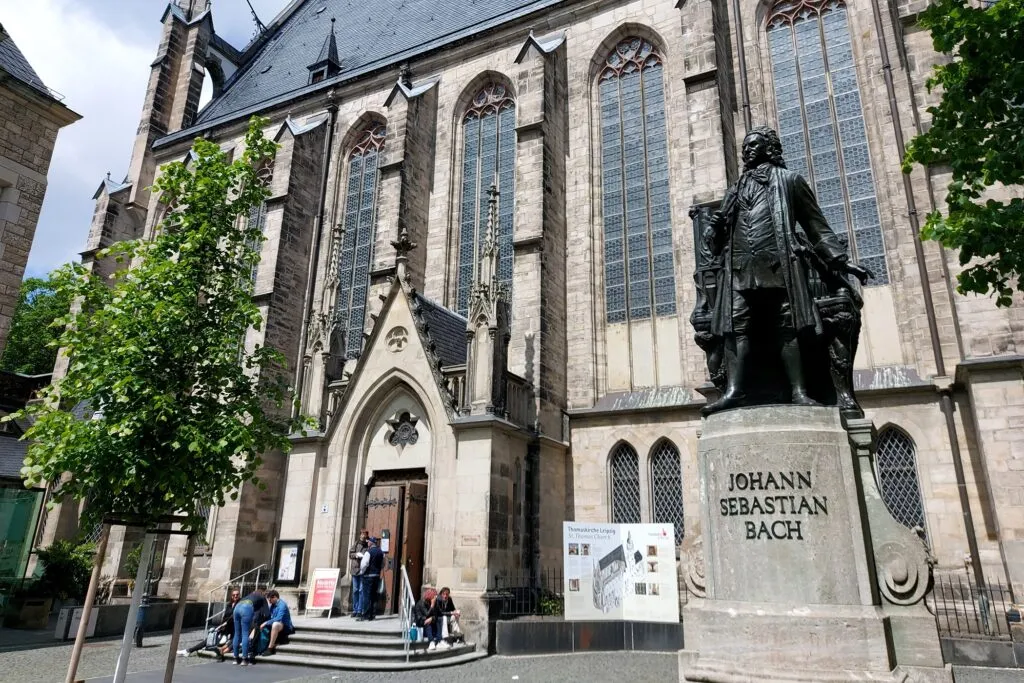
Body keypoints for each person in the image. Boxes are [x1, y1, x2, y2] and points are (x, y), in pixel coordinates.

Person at [702, 126, 872, 415]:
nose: (747, 151)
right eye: (744, 147)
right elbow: (719, 237)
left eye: (753, 145)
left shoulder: (790, 181)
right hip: (741, 269)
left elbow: (816, 226)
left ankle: (799, 391)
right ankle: (735, 391)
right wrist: (713, 229)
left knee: (787, 325)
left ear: (770, 148)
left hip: (779, 264)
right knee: (736, 326)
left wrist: (841, 262)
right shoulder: (735, 190)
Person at [178, 587, 239, 660]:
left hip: (232, 628)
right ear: (231, 596)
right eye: (233, 595)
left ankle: (190, 651)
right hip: (225, 627)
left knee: (215, 640)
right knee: (210, 638)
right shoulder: (229, 604)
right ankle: (189, 650)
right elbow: (225, 616)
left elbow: (233, 616)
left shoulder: (239, 604)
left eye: (237, 595)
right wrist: (221, 625)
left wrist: (225, 623)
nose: (235, 596)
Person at [233, 588, 269, 666]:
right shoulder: (262, 597)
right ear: (263, 593)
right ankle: (244, 659)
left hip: (237, 608)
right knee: (245, 634)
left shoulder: (249, 596)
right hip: (246, 608)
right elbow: (267, 613)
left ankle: (236, 658)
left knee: (237, 634)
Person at [356, 536, 384, 621]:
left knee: (367, 596)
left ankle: (366, 615)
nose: (367, 543)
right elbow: (383, 564)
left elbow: (364, 564)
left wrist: (362, 571)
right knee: (374, 596)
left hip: (368, 576)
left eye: (368, 542)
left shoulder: (369, 552)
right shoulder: (381, 552)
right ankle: (373, 614)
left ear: (371, 543)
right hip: (376, 576)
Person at [260, 589, 295, 656]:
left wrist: (266, 622)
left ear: (275, 597)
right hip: (277, 626)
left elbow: (278, 618)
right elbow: (270, 616)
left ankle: (270, 648)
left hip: (286, 627)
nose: (269, 602)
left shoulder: (282, 605)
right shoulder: (273, 605)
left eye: (270, 599)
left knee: (275, 624)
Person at [348, 529, 369, 617]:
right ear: (360, 535)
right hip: (355, 570)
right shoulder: (356, 544)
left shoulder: (368, 545)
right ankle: (355, 610)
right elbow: (350, 554)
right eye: (362, 535)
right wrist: (357, 555)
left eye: (365, 536)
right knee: (355, 590)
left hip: (362, 570)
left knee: (361, 591)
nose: (363, 537)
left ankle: (360, 610)